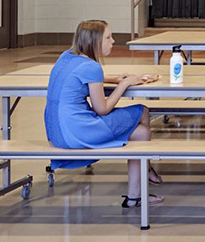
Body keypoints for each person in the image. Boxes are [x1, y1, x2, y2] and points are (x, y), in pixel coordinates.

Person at [44, 20, 162, 208]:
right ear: (95, 42)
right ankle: (143, 171)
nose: (113, 41)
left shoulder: (66, 57)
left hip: (56, 133)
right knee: (143, 111)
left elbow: (79, 76)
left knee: (140, 133)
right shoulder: (92, 67)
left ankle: (135, 195)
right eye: (108, 37)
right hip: (77, 132)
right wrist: (124, 84)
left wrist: (113, 79)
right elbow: (102, 109)